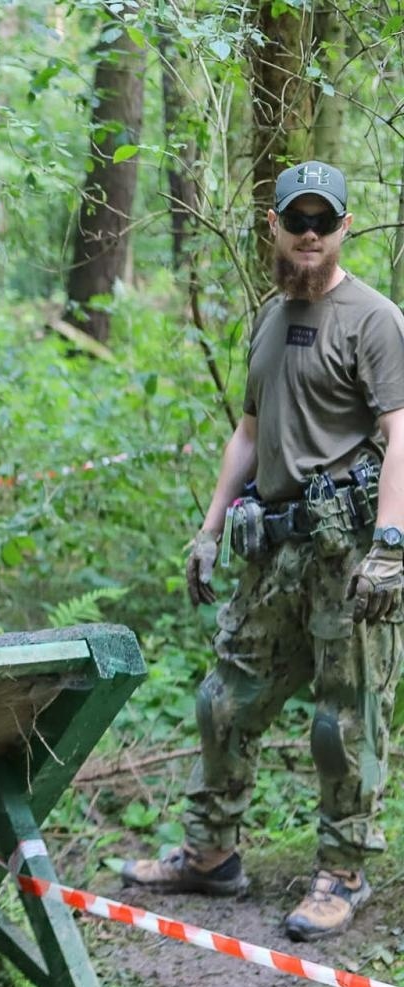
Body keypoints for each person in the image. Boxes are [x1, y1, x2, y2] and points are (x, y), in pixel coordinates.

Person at [121, 161, 404, 942]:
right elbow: (248, 432)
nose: (310, 234)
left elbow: (401, 433)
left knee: (342, 721)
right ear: (272, 226)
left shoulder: (374, 319)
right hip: (271, 551)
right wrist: (210, 527)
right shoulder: (270, 317)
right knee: (225, 700)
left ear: (346, 227)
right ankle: (212, 853)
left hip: (348, 554)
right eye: (297, 220)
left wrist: (390, 544)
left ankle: (343, 872)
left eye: (325, 221)